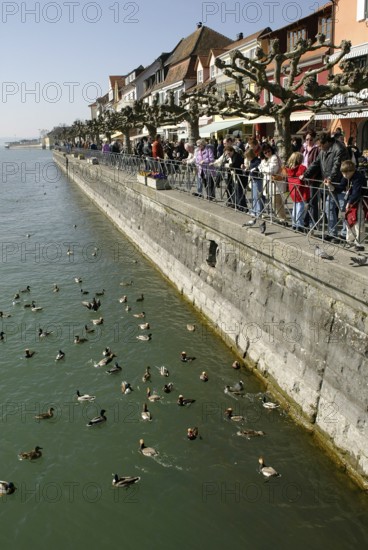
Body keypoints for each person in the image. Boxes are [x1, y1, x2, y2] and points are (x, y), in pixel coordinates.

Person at [302, 132, 348, 241]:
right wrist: (305, 174)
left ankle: (346, 234)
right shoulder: (323, 151)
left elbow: (337, 166)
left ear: (327, 142)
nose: (320, 148)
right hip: (329, 184)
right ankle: (332, 233)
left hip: (340, 184)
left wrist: (331, 178)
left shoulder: (339, 149)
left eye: (321, 145)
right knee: (328, 208)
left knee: (344, 209)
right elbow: (316, 163)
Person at [333, 160, 367, 251]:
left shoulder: (358, 177)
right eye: (343, 174)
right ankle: (350, 240)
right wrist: (331, 186)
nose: (344, 176)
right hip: (350, 201)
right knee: (349, 222)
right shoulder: (346, 177)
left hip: (359, 202)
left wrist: (349, 202)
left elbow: (356, 192)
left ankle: (359, 243)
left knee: (358, 223)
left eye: (346, 174)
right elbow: (341, 187)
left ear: (351, 171)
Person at [259, 144, 286, 221]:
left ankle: (282, 219)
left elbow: (271, 170)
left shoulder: (274, 157)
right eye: (265, 152)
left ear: (271, 150)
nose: (267, 153)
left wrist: (264, 169)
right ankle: (279, 218)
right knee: (273, 202)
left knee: (277, 202)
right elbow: (259, 167)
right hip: (269, 184)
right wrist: (264, 169)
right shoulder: (264, 160)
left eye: (269, 151)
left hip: (276, 183)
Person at [285, 152, 309, 231]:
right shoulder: (302, 168)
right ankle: (300, 225)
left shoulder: (288, 168)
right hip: (301, 190)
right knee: (300, 208)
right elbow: (307, 176)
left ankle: (294, 223)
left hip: (293, 189)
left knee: (295, 207)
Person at [223, 145, 248, 210]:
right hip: (235, 176)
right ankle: (237, 204)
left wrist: (227, 165)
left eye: (229, 153)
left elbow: (234, 164)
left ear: (232, 151)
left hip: (240, 176)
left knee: (240, 192)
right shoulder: (232, 156)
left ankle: (243, 207)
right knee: (236, 190)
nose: (228, 155)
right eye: (227, 154)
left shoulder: (236, 156)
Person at [245, 149, 263, 217]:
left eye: (247, 157)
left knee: (257, 197)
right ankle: (254, 210)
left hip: (257, 180)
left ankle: (258, 212)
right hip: (253, 179)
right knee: (253, 196)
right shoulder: (252, 161)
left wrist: (255, 169)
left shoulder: (257, 161)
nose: (247, 158)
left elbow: (259, 167)